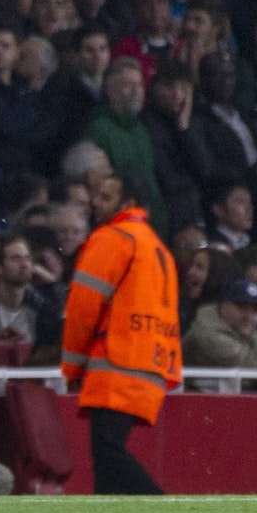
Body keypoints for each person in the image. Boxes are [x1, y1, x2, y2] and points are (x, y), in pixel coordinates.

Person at [60, 175, 180, 495]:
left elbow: (82, 308)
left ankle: (164, 509)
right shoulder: (157, 248)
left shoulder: (113, 238)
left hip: (117, 361)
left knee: (108, 452)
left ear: (127, 204)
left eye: (105, 196)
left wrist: (72, 366)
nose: (95, 203)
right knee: (106, 460)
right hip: (150, 362)